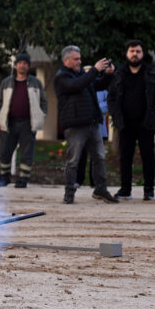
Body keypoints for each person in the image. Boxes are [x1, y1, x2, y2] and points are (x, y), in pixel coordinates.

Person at [54, 46, 117, 204]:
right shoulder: (62, 77)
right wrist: (94, 70)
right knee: (73, 161)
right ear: (66, 60)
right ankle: (69, 194)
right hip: (75, 126)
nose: (80, 62)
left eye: (80, 58)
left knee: (99, 158)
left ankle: (100, 189)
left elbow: (98, 85)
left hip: (93, 123)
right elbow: (77, 85)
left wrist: (108, 75)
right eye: (76, 59)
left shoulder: (83, 74)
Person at [107, 40, 155, 201]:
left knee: (148, 157)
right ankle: (125, 189)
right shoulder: (119, 74)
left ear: (143, 53)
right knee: (125, 157)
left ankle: (149, 190)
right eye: (132, 51)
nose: (135, 54)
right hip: (125, 124)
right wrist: (116, 116)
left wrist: (154, 113)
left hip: (146, 123)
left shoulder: (152, 73)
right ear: (127, 53)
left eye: (138, 51)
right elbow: (111, 98)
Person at [0, 52, 47, 188]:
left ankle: (23, 179)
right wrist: (0, 115)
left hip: (28, 123)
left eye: (25, 63)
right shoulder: (7, 82)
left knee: (27, 152)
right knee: (5, 151)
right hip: (10, 122)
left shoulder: (36, 82)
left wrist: (42, 114)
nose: (22, 66)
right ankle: (4, 177)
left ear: (28, 66)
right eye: (19, 63)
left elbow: (43, 101)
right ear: (16, 65)